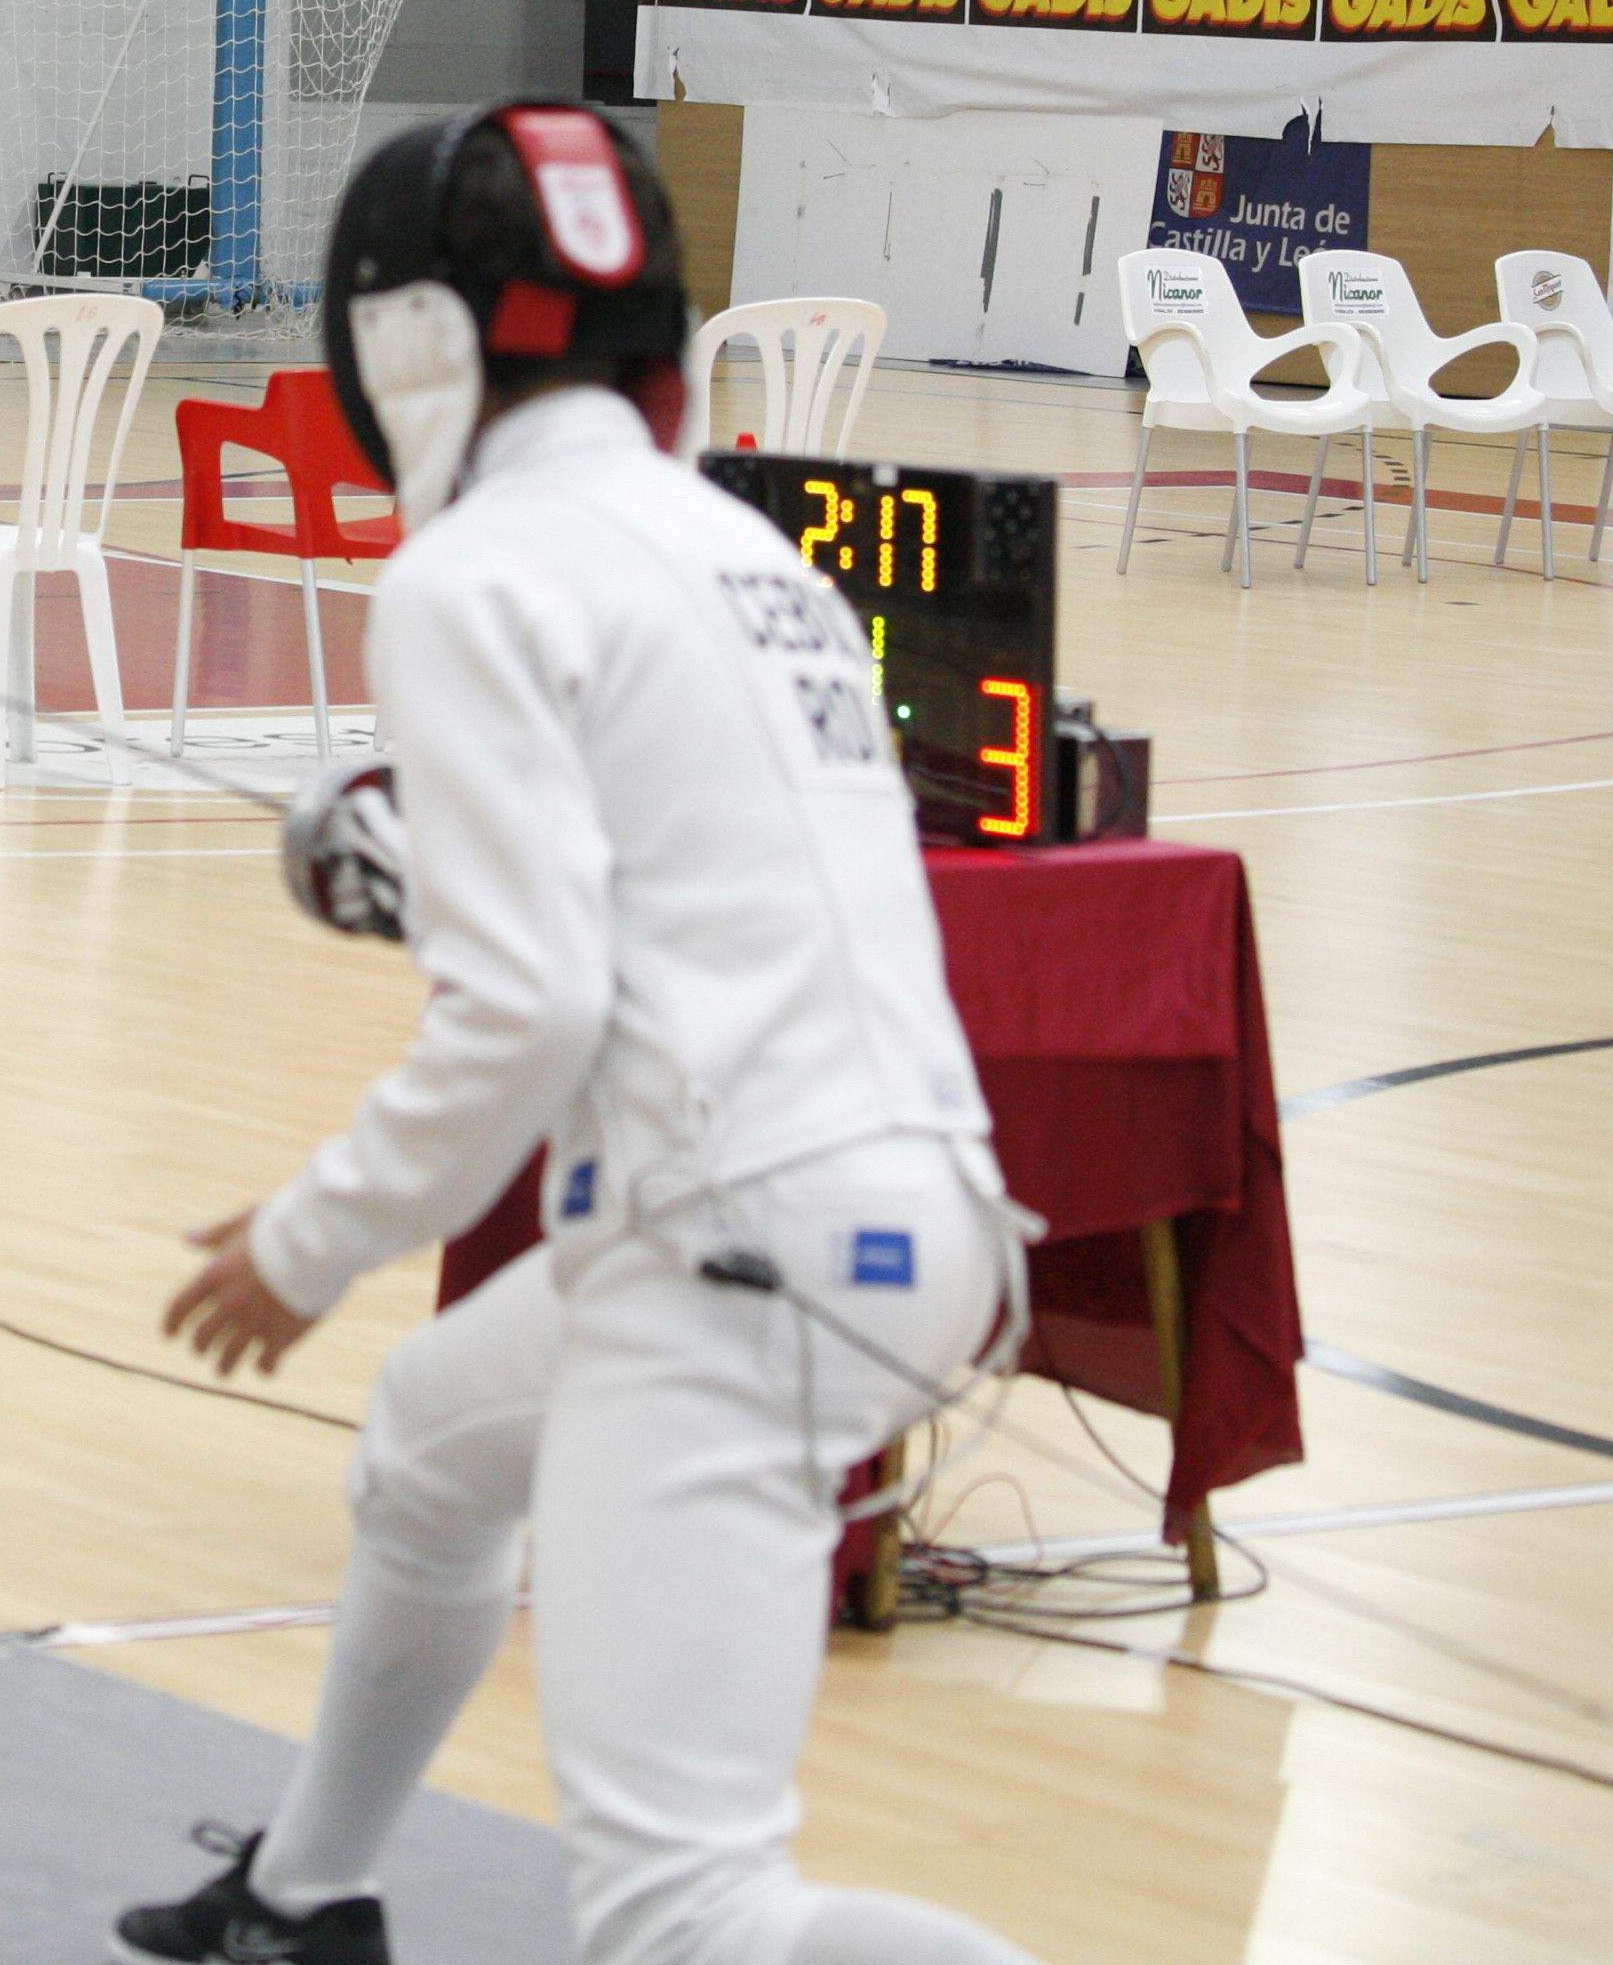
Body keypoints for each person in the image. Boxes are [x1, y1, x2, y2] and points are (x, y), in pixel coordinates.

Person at [113, 103, 1039, 1965]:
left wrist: (305, 1243)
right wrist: (439, 862)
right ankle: (305, 1896)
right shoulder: (754, 558)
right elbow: (690, 891)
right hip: (890, 1205)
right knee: (433, 1441)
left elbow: (533, 1006)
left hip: (740, 1242)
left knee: (686, 1916)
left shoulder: (473, 572)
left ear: (398, 350)